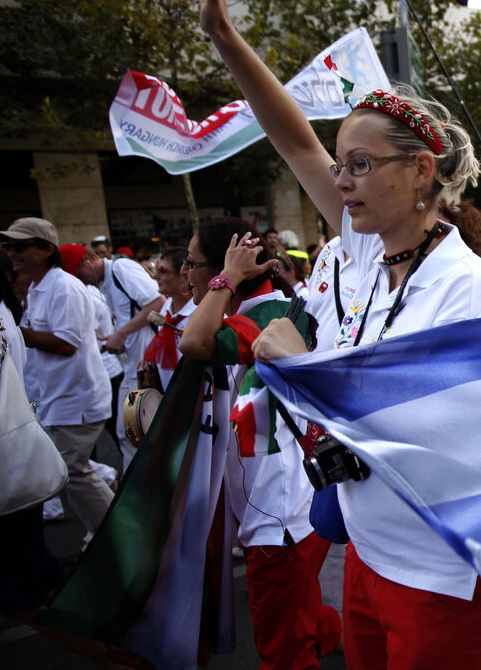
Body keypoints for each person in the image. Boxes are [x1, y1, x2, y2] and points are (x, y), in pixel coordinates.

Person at [197, 0, 481, 666]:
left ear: (420, 172)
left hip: (443, 568)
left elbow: (456, 435)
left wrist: (304, 368)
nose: (340, 180)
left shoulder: (467, 286)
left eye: (361, 164)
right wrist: (225, 40)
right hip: (368, 550)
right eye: (341, 164)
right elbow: (293, 139)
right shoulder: (363, 251)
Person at [178, 217, 341, 670]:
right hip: (286, 509)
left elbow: (193, 342)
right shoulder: (257, 311)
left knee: (282, 653)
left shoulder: (266, 316)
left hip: (278, 520)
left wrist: (226, 277)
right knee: (302, 618)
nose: (187, 273)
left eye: (193, 264)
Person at [1, 218, 113, 545]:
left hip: (76, 399)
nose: (12, 253)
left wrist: (13, 334)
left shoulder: (64, 287)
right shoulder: (37, 287)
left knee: (71, 471)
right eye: (9, 246)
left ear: (46, 249)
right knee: (71, 472)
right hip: (58, 399)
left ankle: (116, 533)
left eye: (20, 246)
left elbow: (66, 343)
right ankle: (103, 532)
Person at [64, 240, 164, 469]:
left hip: (146, 366)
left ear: (87, 262)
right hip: (136, 365)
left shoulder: (120, 269)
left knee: (130, 430)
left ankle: (140, 490)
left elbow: (157, 302)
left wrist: (120, 334)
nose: (79, 280)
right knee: (131, 431)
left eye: (77, 273)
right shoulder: (104, 284)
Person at [143, 247, 195, 391]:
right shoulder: (167, 306)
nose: (155, 276)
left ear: (184, 276)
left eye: (163, 271)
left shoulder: (200, 312)